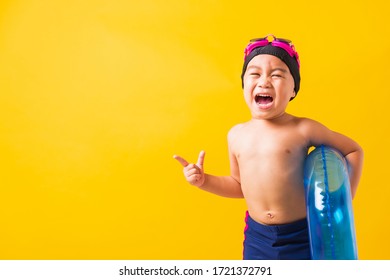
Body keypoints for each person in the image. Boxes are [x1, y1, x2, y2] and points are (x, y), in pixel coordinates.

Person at [173, 35, 364, 260]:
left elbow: (353, 150)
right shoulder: (236, 135)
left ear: (293, 90)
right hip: (258, 237)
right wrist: (204, 181)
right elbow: (238, 185)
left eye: (277, 75)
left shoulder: (303, 129)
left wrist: (341, 203)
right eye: (254, 74)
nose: (264, 81)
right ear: (244, 86)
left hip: (302, 235)